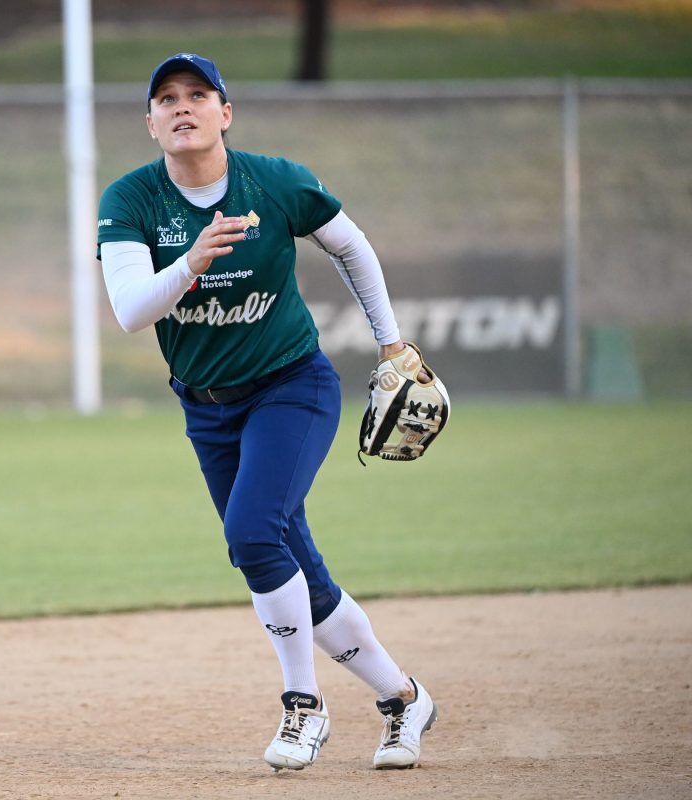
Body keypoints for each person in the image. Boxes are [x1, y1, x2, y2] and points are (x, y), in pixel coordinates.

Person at [95, 53, 437, 772]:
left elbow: (351, 246)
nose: (181, 106)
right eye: (166, 98)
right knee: (293, 566)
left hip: (293, 388)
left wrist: (391, 344)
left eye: (198, 94)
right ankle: (403, 699)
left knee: (251, 533)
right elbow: (129, 311)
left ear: (226, 112)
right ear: (150, 122)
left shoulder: (273, 182)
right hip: (206, 408)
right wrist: (190, 261)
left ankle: (303, 708)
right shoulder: (131, 201)